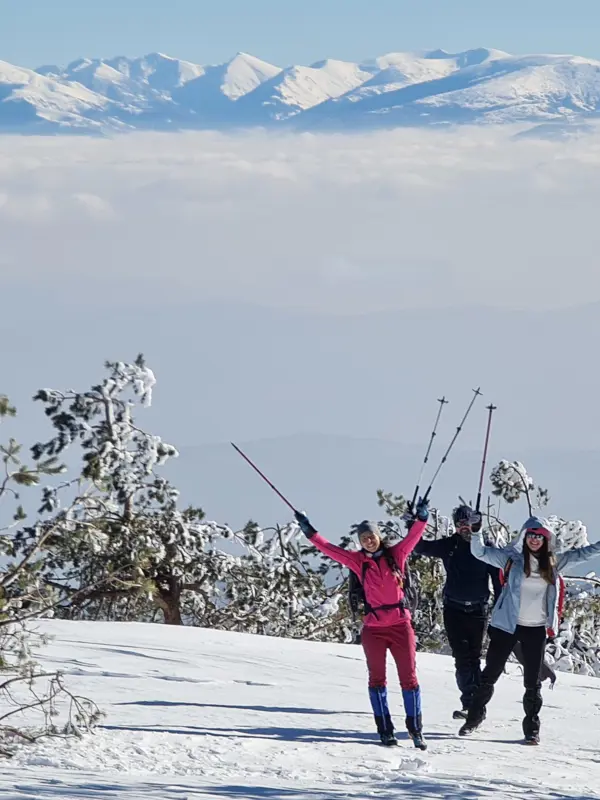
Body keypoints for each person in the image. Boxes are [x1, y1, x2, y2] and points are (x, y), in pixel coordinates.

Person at [295, 497, 430, 750]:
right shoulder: (358, 562)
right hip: (374, 629)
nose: (368, 540)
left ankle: (415, 730)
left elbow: (413, 536)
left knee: (409, 679)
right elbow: (328, 548)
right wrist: (309, 531)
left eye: (372, 536)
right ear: (360, 541)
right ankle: (385, 731)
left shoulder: (396, 555)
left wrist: (422, 518)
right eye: (364, 537)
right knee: (377, 680)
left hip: (401, 626)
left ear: (379, 536)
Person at [459, 515, 600, 744]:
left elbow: (583, 553)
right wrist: (475, 532)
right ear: (524, 538)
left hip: (535, 629)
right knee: (490, 675)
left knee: (532, 681)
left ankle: (531, 730)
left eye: (539, 537)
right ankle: (473, 719)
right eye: (530, 536)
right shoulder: (511, 559)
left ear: (546, 540)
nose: (534, 540)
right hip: (507, 626)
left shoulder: (554, 562)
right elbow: (481, 552)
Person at [414, 504, 501, 719]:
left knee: (473, 657)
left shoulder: (486, 548)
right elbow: (420, 547)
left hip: (478, 610)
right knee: (462, 657)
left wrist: (500, 612)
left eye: (468, 523)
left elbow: (498, 583)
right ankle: (470, 703)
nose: (465, 528)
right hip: (453, 609)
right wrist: (414, 522)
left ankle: (476, 704)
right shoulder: (450, 545)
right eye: (460, 524)